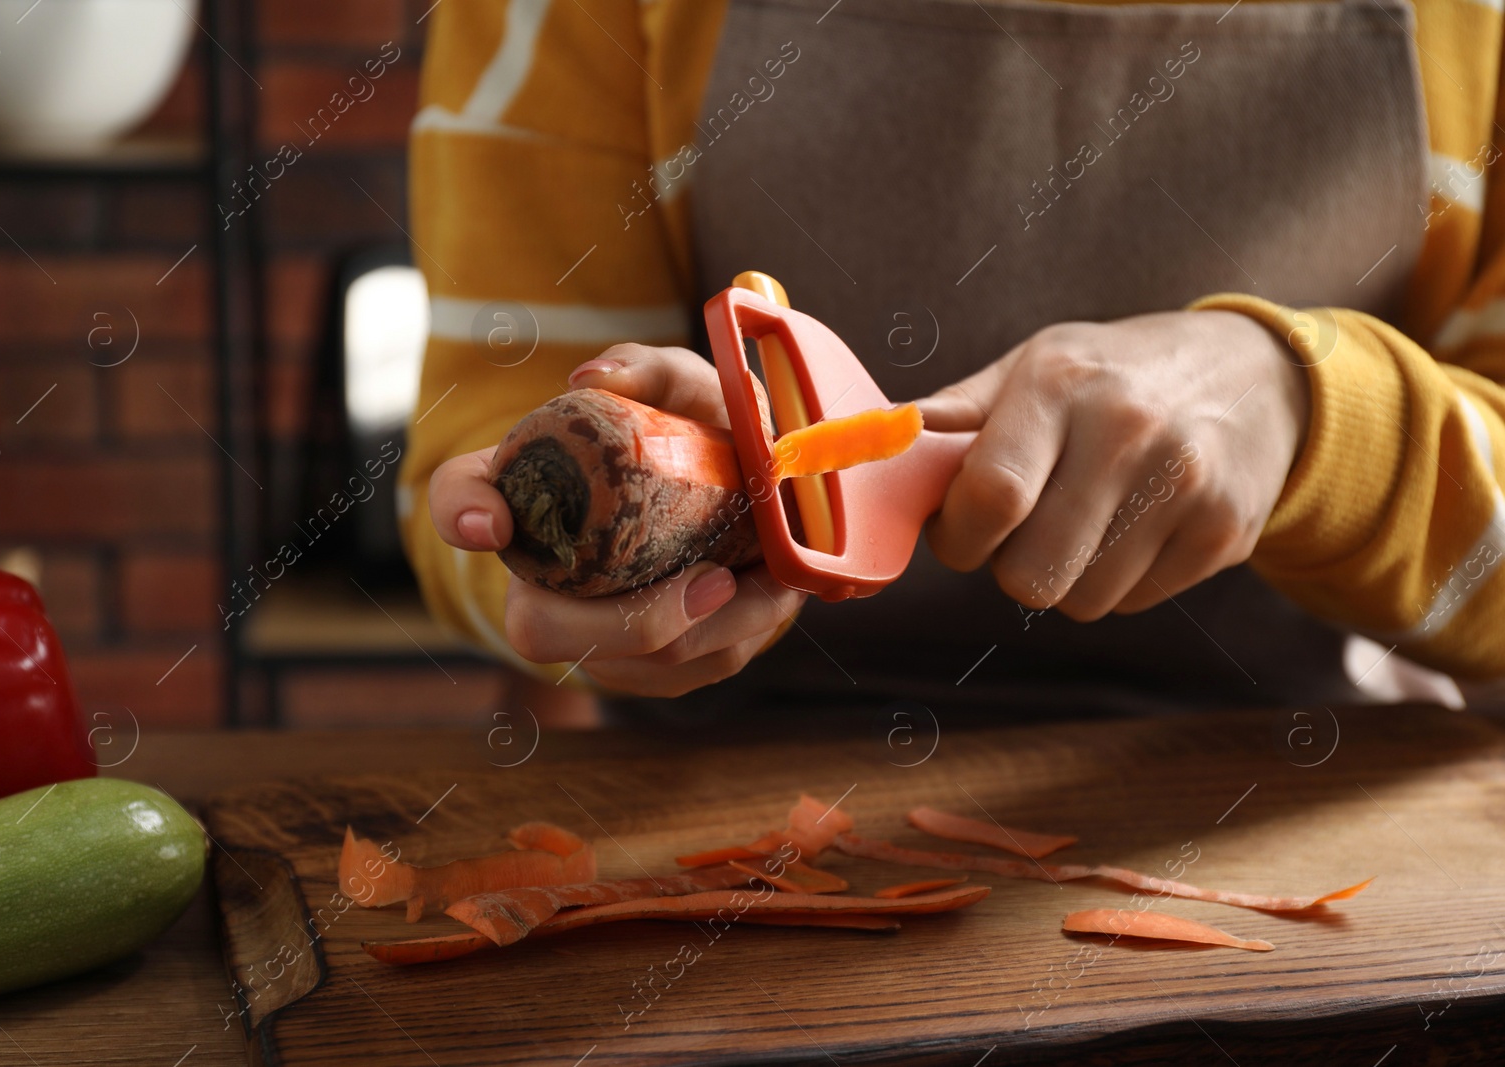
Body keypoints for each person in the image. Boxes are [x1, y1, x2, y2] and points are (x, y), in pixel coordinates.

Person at [398, 0, 1505, 724]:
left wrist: (1316, 418)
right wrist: (596, 569)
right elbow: (467, 461)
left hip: (1317, 806)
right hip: (721, 820)